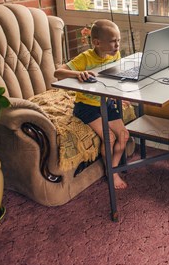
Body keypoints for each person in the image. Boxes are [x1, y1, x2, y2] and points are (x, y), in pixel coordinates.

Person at [54, 19, 130, 189]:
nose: (117, 45)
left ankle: (113, 168)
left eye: (118, 40)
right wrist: (77, 73)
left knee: (124, 136)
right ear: (96, 42)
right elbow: (57, 72)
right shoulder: (85, 58)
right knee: (109, 138)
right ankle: (113, 174)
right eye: (112, 41)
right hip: (87, 107)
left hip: (107, 102)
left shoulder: (115, 55)